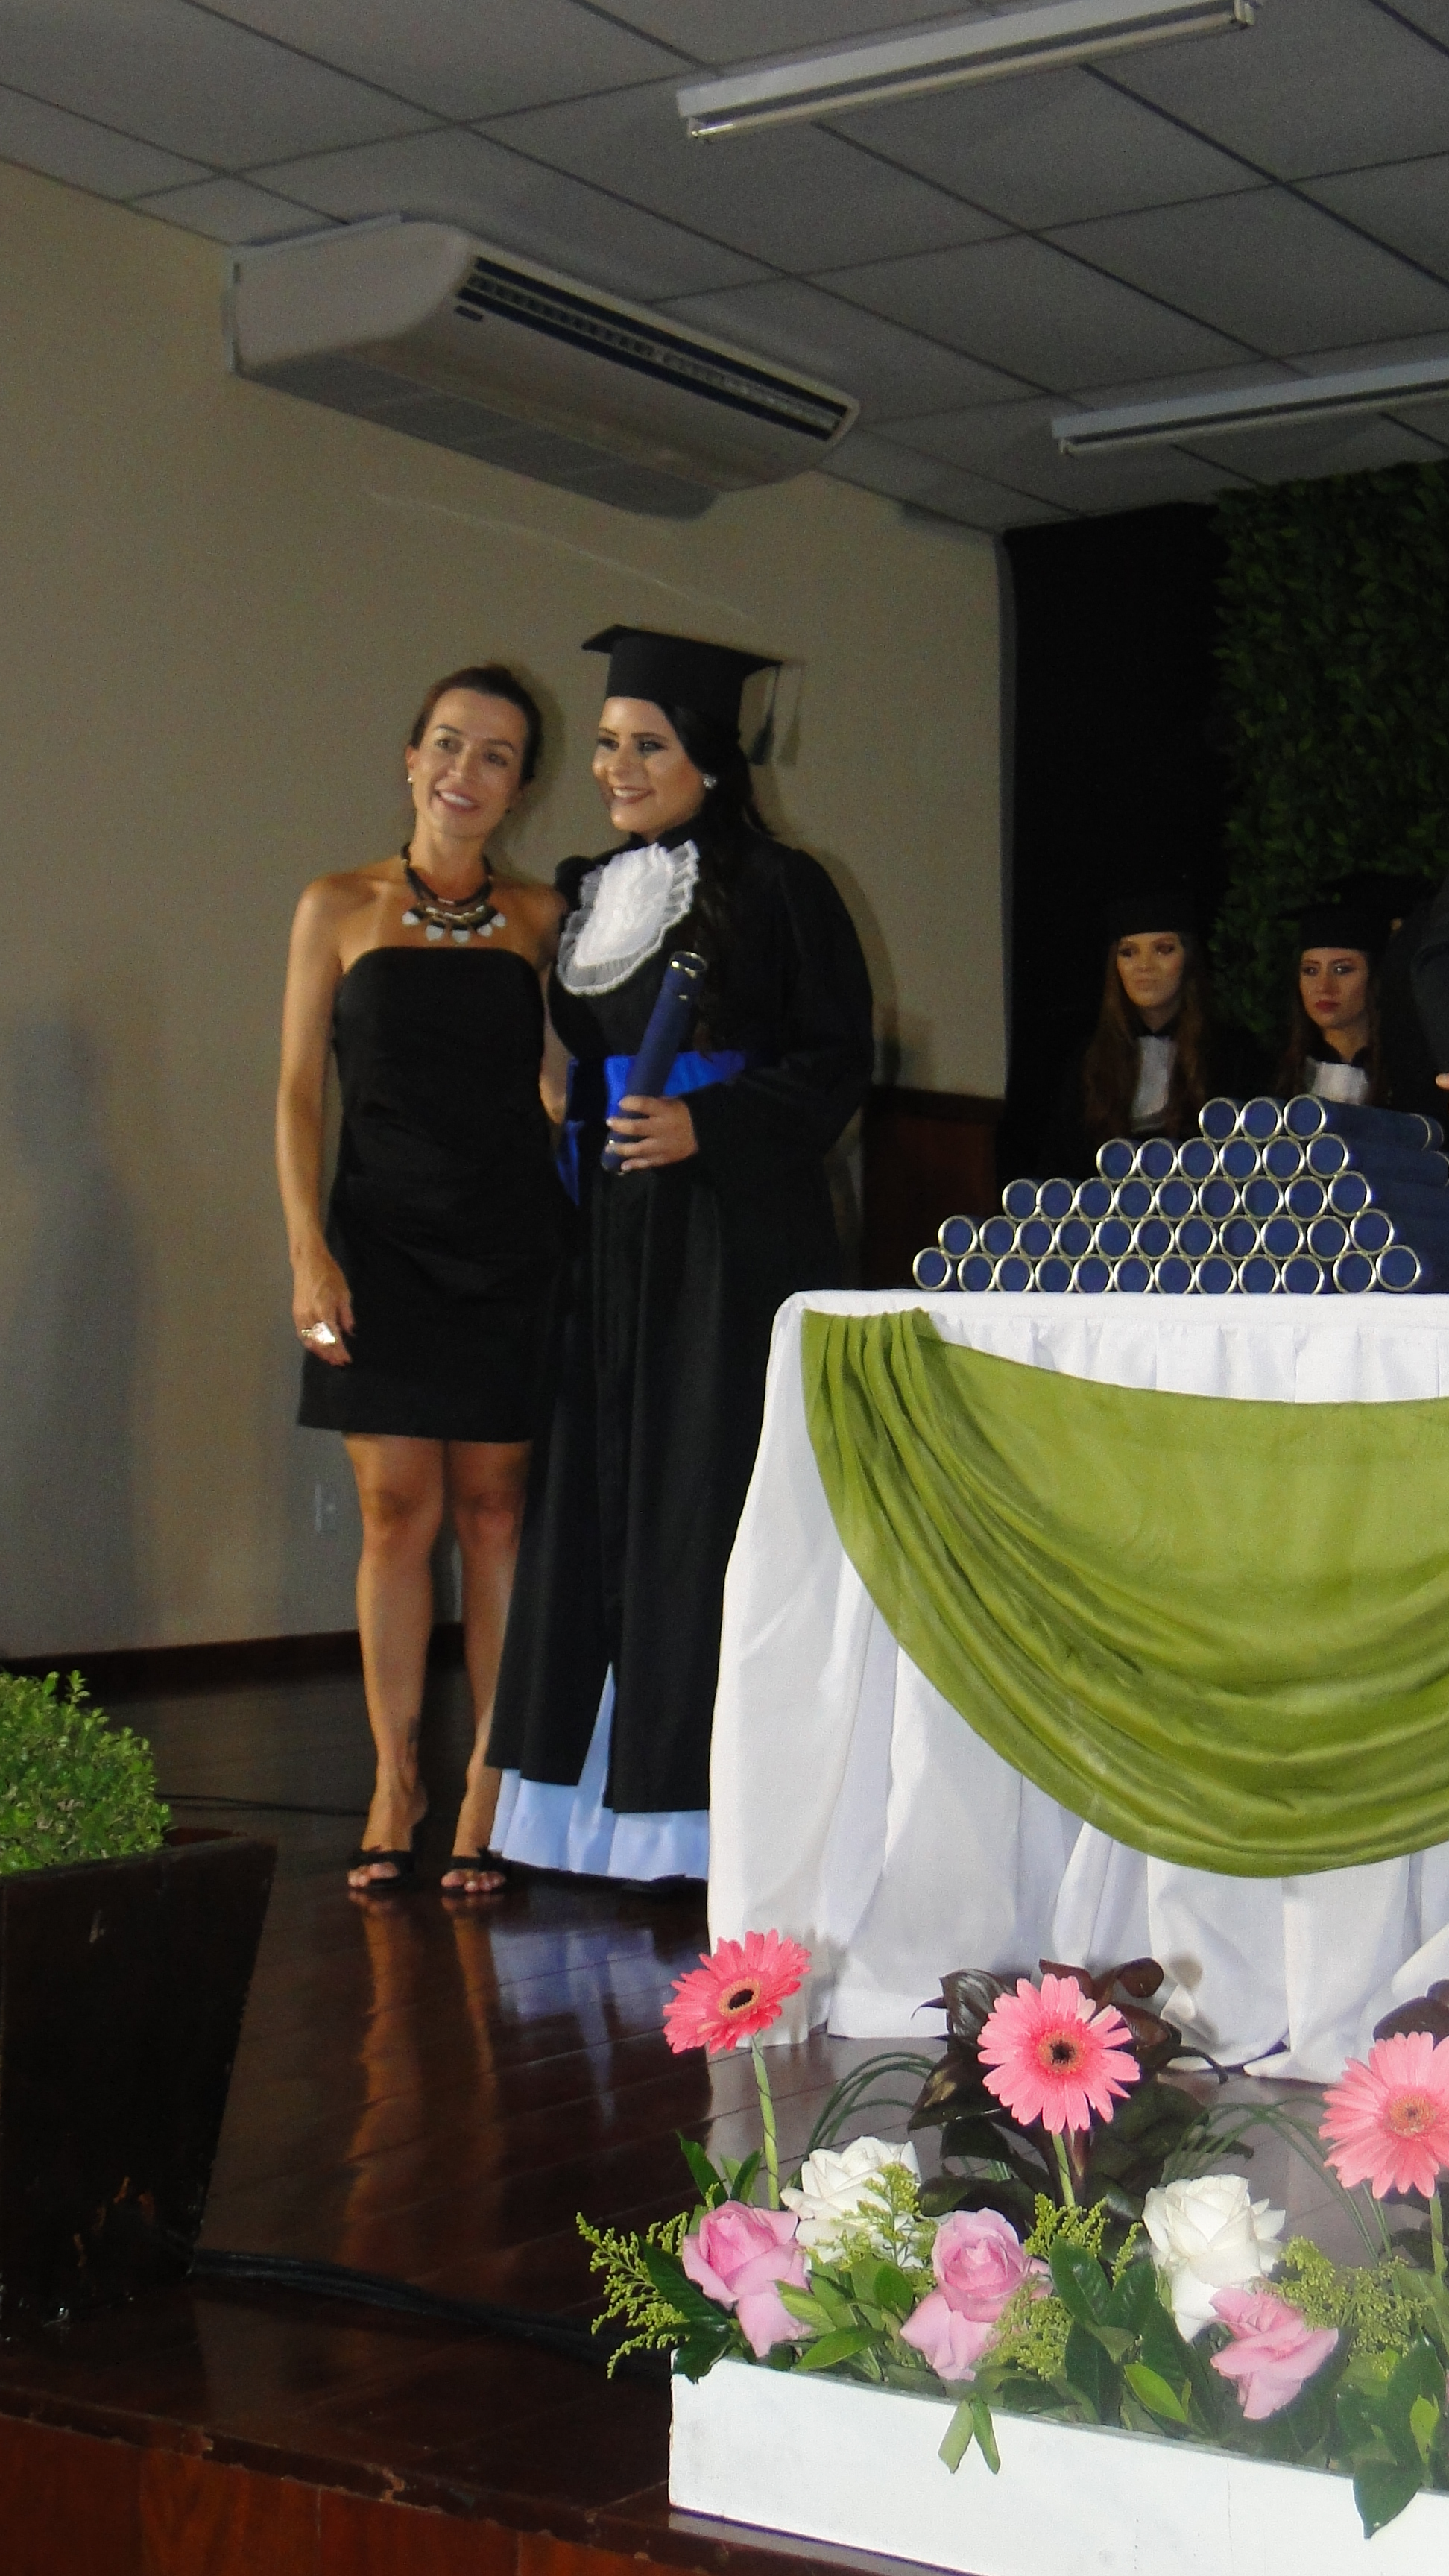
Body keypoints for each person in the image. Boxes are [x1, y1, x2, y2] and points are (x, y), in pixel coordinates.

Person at [487, 624, 874, 1881]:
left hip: (727, 1238)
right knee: (602, 1494)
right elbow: (570, 1058)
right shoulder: (590, 889)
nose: (617, 767)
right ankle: (592, 1817)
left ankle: (707, 1817)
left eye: (646, 745)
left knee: (699, 1495)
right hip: (611, 1232)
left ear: (709, 757)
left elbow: (836, 1063)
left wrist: (709, 1125)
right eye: (607, 744)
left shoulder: (783, 887)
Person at [276, 666, 570, 1896]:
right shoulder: (335, 904)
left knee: (497, 1512)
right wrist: (308, 1248)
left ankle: (488, 1789)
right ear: (411, 758)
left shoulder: (543, 918)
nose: (466, 770)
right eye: (449, 743)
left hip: (510, 1244)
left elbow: (564, 1086)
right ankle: (396, 1781)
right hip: (379, 1243)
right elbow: (299, 1093)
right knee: (396, 1512)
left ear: (519, 786)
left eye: (496, 755)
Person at [1046, 885, 1225, 1176]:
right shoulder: (1087, 1061)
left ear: (1189, 958)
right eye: (1128, 952)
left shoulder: (1229, 1057)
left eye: (1163, 949)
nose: (1144, 966)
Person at [1279, 897, 1384, 1105]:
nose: (1323, 987)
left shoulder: (1410, 1075)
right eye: (1311, 971)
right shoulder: (1276, 1076)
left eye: (1342, 969)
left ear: (1373, 978)